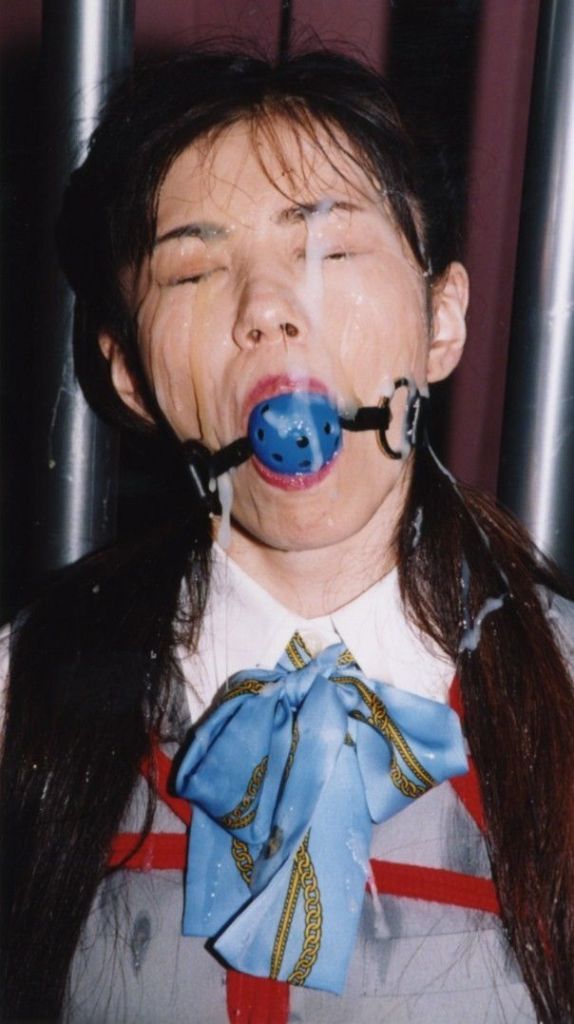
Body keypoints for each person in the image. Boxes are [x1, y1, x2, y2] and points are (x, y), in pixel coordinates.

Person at [1, 46, 574, 1024]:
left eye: (331, 252)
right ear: (128, 373)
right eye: (193, 268)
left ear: (441, 320)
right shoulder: (24, 696)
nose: (267, 309)